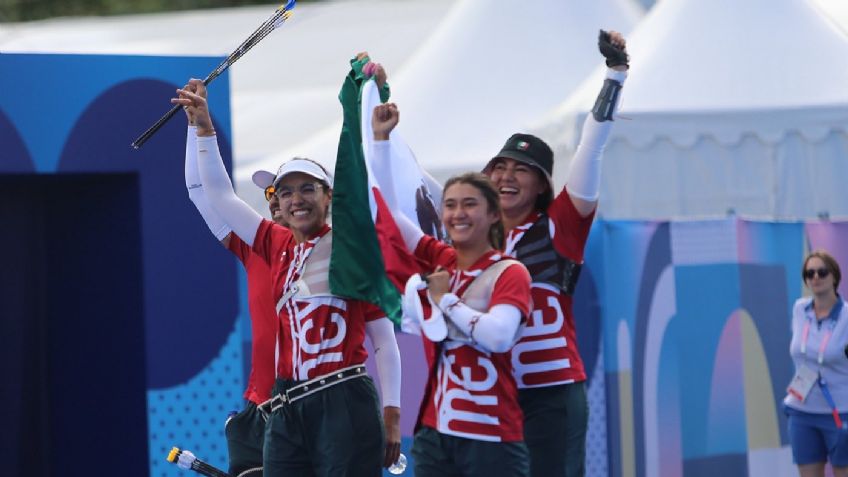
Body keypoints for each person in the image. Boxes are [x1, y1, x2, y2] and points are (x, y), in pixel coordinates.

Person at [172, 78, 402, 477]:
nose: (296, 199)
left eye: (308, 189)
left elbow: (383, 337)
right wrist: (203, 128)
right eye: (286, 192)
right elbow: (218, 194)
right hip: (285, 405)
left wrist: (393, 412)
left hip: (342, 396)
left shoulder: (352, 248)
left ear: (328, 196)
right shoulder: (271, 243)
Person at [476, 30, 629, 477]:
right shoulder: (471, 236)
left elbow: (591, 147)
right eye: (498, 167)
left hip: (552, 395)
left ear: (542, 184)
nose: (506, 176)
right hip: (494, 393)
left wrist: (615, 75)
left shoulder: (559, 226)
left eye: (520, 170)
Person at [372, 137, 533, 476]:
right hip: (436, 434)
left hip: (492, 435)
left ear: (493, 214)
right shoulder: (442, 259)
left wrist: (445, 299)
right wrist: (381, 140)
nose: (458, 214)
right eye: (450, 205)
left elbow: (499, 336)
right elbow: (391, 212)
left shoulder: (510, 271)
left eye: (470, 204)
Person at [182, 82, 279, 476]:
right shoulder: (256, 249)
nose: (277, 197)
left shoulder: (336, 252)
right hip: (261, 407)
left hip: (313, 406)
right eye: (273, 191)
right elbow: (200, 192)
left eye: (290, 188)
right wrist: (195, 127)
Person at [784, 250, 848, 477]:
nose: (816, 278)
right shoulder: (800, 309)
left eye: (822, 272)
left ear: (834, 277)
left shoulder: (846, 316)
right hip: (803, 410)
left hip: (840, 412)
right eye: (809, 274)